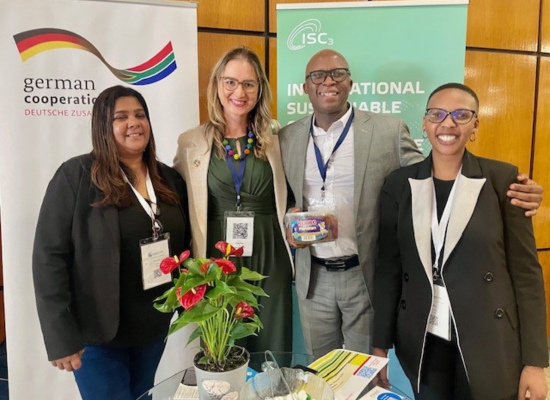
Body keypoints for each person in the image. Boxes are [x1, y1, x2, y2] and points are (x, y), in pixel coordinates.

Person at [278, 49, 544, 360]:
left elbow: (433, 176)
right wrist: (290, 221)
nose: (328, 81)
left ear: (350, 83)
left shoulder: (387, 131)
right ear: (305, 87)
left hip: (364, 276)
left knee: (362, 374)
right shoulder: (287, 137)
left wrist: (508, 192)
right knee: (321, 368)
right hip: (313, 279)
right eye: (317, 75)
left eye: (338, 73)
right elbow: (286, 197)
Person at [372, 83, 548, 400]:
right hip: (424, 336)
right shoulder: (400, 185)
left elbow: (527, 276)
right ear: (424, 124)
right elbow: (389, 271)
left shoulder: (503, 180)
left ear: (475, 125)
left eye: (461, 115)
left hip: (489, 336)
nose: (448, 124)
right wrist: (378, 347)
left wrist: (535, 363)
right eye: (437, 114)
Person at [32, 85, 191, 400]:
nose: (134, 123)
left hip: (152, 326)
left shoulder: (169, 179)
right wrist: (61, 338)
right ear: (103, 128)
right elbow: (49, 257)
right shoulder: (76, 176)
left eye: (139, 115)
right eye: (121, 117)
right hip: (97, 333)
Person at [173, 47, 293, 353]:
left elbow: (295, 195)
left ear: (259, 90)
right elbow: (174, 199)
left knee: (271, 344)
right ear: (216, 86)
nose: (239, 91)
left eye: (249, 84)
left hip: (269, 254)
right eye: (230, 82)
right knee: (221, 345)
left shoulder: (278, 137)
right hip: (216, 258)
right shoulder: (191, 142)